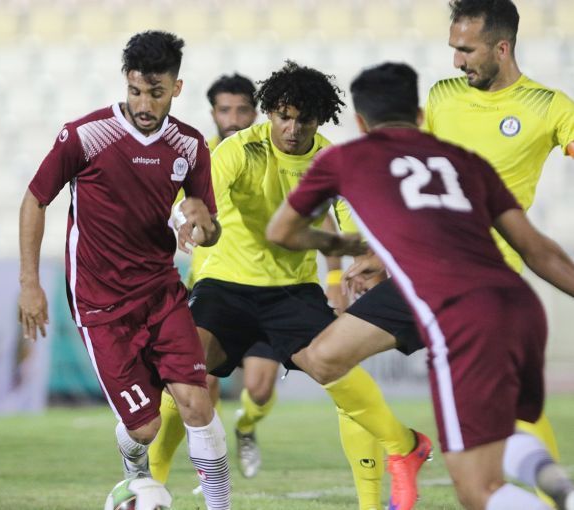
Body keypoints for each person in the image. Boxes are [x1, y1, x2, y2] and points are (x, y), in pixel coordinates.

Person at [300, 1, 574, 507]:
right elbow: (414, 182)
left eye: (466, 50)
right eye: (453, 48)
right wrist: (382, 254)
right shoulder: (442, 97)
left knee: (507, 424)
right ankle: (404, 447)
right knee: (323, 357)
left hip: (485, 282)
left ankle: (550, 494)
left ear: (502, 47)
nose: (456, 61)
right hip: (419, 276)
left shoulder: (549, 106)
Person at [175, 60, 426, 510]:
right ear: (269, 112)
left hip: (291, 289)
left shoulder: (331, 160)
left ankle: (396, 459)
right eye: (283, 117)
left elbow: (354, 219)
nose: (292, 129)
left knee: (333, 371)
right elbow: (200, 198)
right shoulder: (238, 150)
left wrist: (365, 258)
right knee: (183, 372)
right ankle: (149, 485)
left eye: (303, 120)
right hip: (225, 284)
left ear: (320, 119)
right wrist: (190, 219)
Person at [17, 31, 231, 510]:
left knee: (198, 404)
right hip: (101, 303)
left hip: (162, 292)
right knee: (145, 427)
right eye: (135, 90)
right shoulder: (85, 136)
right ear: (126, 83)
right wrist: (29, 282)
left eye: (156, 92)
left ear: (176, 88)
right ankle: (135, 470)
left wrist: (204, 226)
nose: (144, 103)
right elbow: (35, 199)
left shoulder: (190, 146)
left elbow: (207, 229)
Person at [149, 72, 350, 482]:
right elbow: (177, 209)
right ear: (213, 113)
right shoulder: (209, 155)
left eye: (242, 110)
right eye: (226, 110)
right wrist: (182, 229)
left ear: (257, 112)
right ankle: (179, 476)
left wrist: (335, 280)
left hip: (280, 290)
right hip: (220, 286)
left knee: (259, 388)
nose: (234, 118)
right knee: (192, 379)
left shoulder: (287, 153)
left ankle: (244, 426)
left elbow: (329, 218)